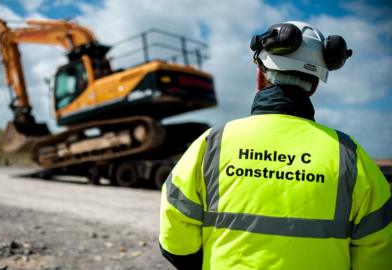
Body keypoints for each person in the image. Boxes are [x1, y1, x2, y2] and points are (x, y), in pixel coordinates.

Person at [159, 21, 392, 270]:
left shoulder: (212, 143)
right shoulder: (350, 155)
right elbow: (379, 247)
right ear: (313, 86)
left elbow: (176, 233)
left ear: (260, 75)